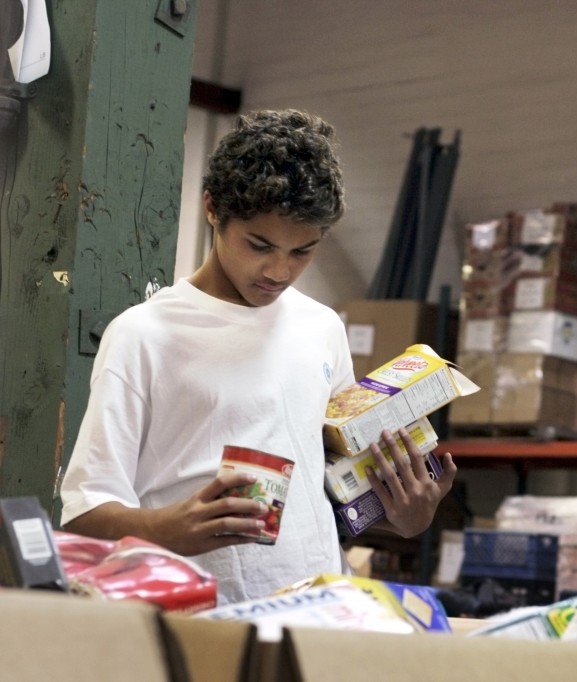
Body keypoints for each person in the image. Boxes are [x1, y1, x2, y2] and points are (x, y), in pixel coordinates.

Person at [59, 109, 457, 604]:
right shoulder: (143, 335)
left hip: (315, 612)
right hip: (198, 618)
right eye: (259, 244)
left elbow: (339, 493)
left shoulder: (322, 329)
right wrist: (167, 528)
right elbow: (83, 514)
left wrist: (407, 515)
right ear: (212, 208)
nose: (278, 270)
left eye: (302, 251)